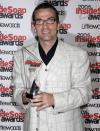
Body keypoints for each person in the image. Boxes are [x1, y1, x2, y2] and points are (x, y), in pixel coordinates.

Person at [13, 2, 92, 131]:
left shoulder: (78, 54)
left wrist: (54, 99)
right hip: (34, 126)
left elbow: (85, 92)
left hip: (67, 126)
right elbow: (17, 91)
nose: (45, 26)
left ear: (58, 25)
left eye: (50, 20)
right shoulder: (20, 55)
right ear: (34, 26)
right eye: (39, 21)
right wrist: (23, 96)